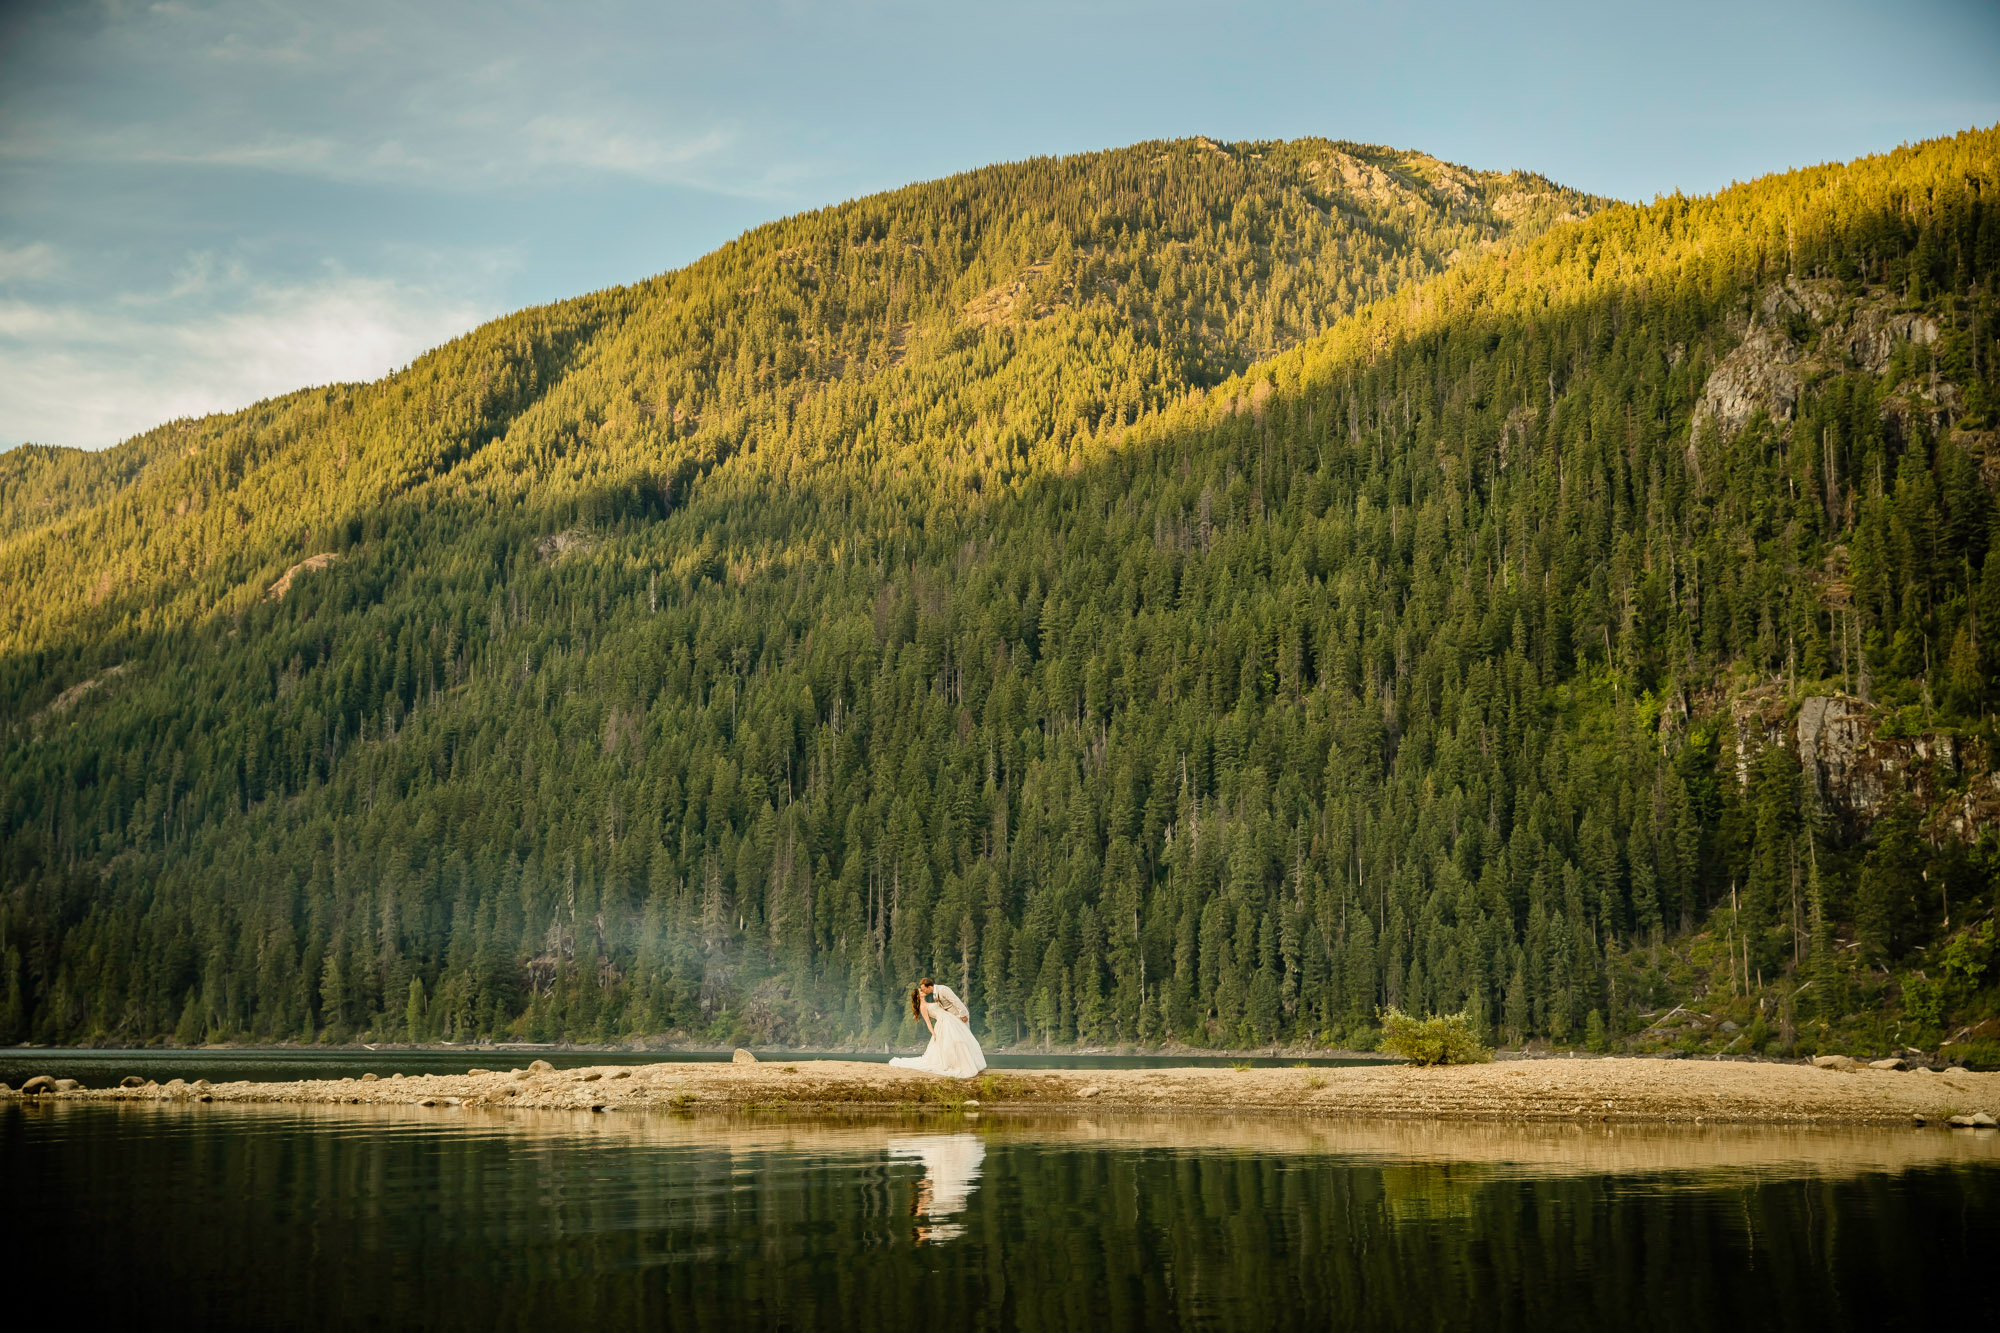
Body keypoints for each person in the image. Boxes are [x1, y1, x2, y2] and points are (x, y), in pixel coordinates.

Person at [888, 977, 987, 1079]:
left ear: (929, 987)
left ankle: (969, 1063)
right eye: (920, 991)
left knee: (961, 1040)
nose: (922, 991)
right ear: (918, 996)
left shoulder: (941, 991)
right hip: (945, 1022)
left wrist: (963, 1014)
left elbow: (955, 1001)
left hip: (951, 1019)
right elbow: (928, 1022)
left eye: (922, 989)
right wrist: (933, 1034)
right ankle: (958, 1064)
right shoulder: (923, 1007)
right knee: (953, 1043)